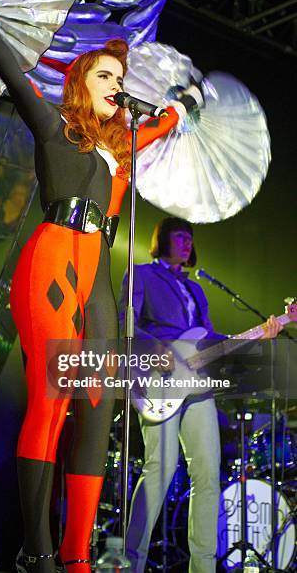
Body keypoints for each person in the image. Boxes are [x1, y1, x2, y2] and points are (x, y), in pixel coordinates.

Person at [0, 0, 207, 571]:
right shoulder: (55, 131)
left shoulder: (124, 146)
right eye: (106, 75)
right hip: (53, 260)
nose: (117, 84)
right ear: (82, 83)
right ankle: (36, 555)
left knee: (97, 409)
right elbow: (13, 73)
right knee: (52, 400)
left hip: (100, 281)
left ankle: (76, 556)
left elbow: (163, 121)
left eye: (120, 75)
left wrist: (186, 102)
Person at [119, 217, 283, 573]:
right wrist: (156, 348)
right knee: (159, 469)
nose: (187, 242)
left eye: (190, 237)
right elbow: (126, 323)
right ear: (161, 239)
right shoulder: (141, 275)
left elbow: (209, 340)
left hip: (198, 384)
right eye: (180, 236)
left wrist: (262, 334)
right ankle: (130, 565)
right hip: (157, 378)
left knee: (208, 474)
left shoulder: (197, 290)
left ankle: (203, 567)